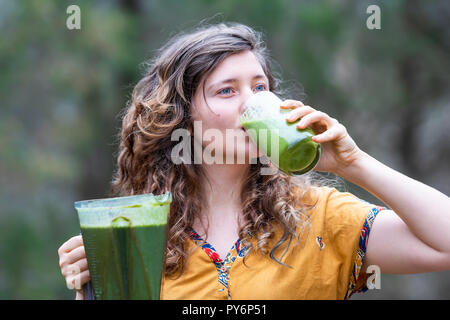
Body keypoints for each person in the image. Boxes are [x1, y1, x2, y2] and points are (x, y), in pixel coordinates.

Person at [58, 22, 450, 300]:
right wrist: (92, 287)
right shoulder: (137, 235)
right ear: (182, 118)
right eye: (226, 91)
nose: (252, 103)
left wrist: (354, 164)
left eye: (260, 87)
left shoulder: (321, 218)